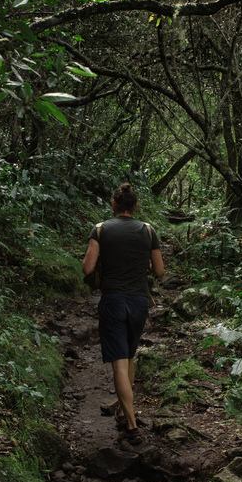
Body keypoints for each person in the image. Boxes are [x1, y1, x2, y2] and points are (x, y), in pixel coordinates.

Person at [81, 183, 165, 444]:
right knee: (129, 356)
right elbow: (160, 271)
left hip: (113, 300)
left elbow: (87, 268)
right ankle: (124, 408)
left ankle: (131, 424)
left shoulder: (101, 229)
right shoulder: (148, 230)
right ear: (135, 206)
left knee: (119, 362)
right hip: (139, 301)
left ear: (114, 205)